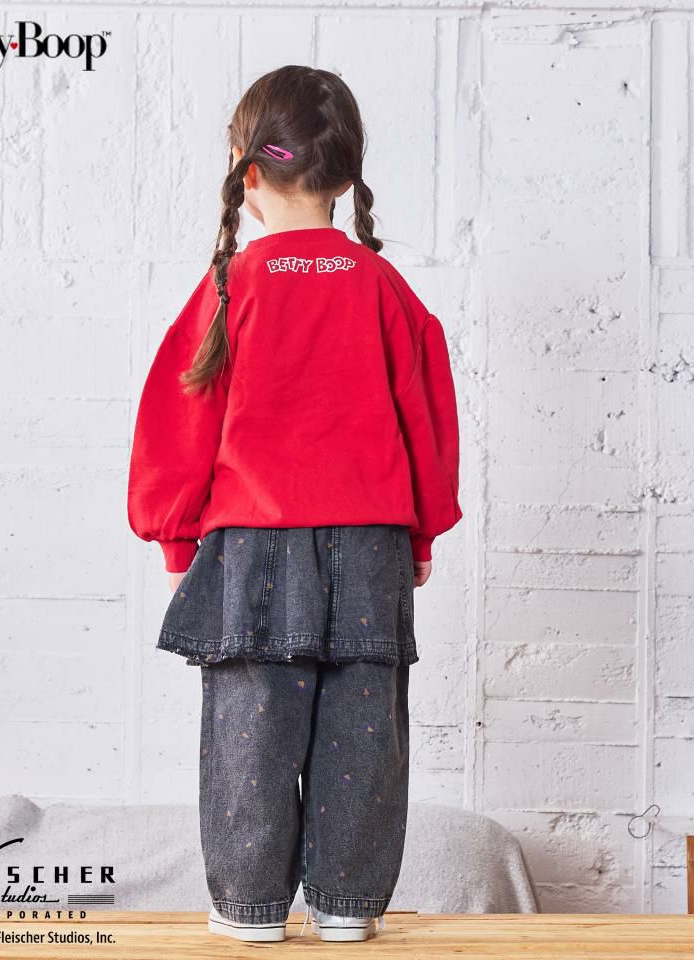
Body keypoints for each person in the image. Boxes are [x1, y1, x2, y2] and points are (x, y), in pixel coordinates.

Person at [127, 64, 462, 944]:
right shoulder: (383, 288)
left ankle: (248, 908)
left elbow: (179, 418)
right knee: (364, 732)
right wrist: (422, 533)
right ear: (346, 178)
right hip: (372, 542)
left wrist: (177, 544)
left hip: (253, 546)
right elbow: (426, 415)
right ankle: (348, 907)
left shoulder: (231, 286)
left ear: (248, 174)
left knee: (252, 728)